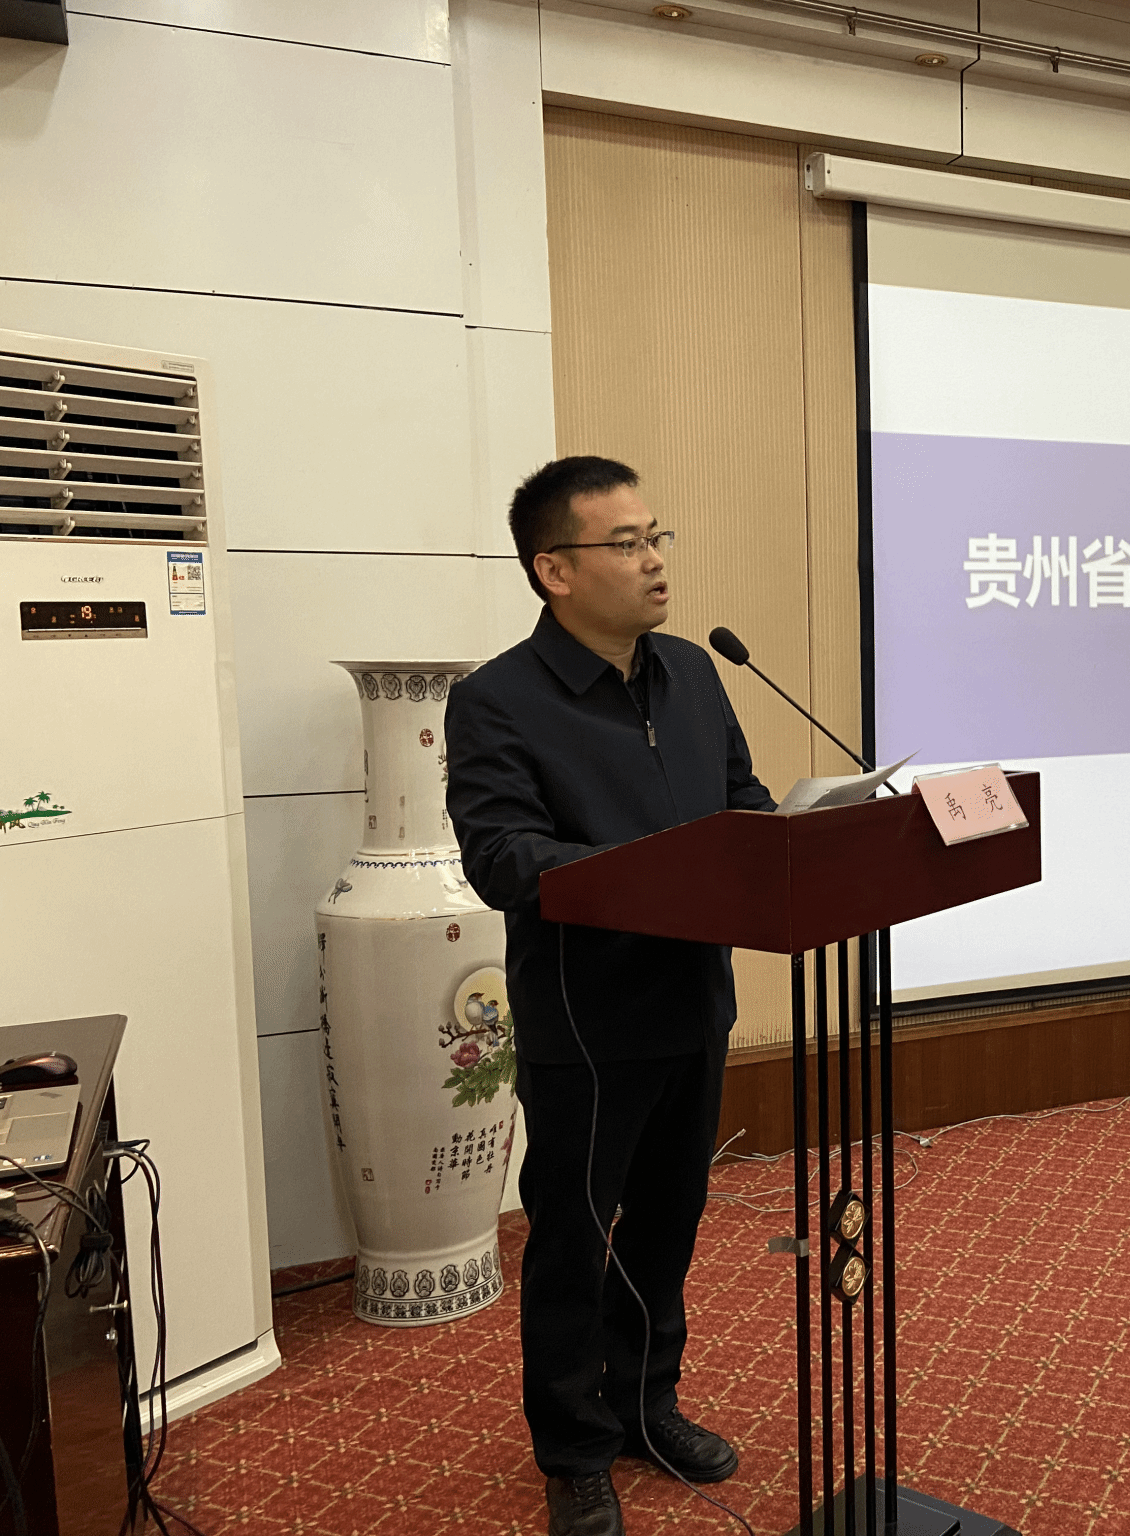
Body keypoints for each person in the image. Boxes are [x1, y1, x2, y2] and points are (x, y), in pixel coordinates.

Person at [445, 456, 774, 1536]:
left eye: (656, 537)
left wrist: (797, 833)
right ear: (555, 570)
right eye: (626, 543)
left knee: (669, 1226)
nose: (654, 560)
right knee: (573, 1244)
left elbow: (740, 801)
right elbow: (500, 856)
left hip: (693, 1001)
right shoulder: (498, 700)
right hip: (586, 1023)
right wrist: (650, 870)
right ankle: (573, 1449)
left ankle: (644, 1406)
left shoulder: (693, 672)